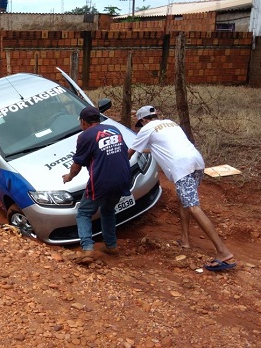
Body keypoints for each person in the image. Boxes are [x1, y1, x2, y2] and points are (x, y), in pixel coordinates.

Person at [128, 105, 236, 272]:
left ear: (142, 120)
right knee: (183, 200)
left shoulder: (146, 128)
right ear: (156, 115)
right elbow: (161, 146)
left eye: (140, 123)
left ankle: (222, 251)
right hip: (197, 162)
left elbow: (131, 152)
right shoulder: (170, 123)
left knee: (193, 207)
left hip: (182, 168)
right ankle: (185, 239)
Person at [62, 106, 131, 264]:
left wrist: (69, 177)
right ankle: (111, 245)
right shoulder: (114, 129)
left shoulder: (85, 136)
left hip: (101, 182)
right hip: (123, 178)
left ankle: (87, 249)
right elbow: (124, 152)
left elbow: (77, 165)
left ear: (84, 122)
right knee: (107, 209)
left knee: (84, 212)